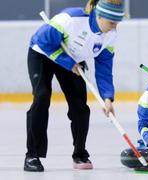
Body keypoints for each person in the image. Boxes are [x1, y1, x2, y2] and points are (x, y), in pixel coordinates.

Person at [25, 0, 124, 172]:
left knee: (79, 106)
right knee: (41, 96)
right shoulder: (72, 20)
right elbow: (42, 41)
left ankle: (80, 154)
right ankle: (32, 154)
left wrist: (107, 98)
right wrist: (67, 62)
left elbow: (104, 70)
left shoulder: (110, 36)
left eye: (117, 23)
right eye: (112, 23)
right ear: (99, 16)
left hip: (72, 59)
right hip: (42, 53)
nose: (114, 27)